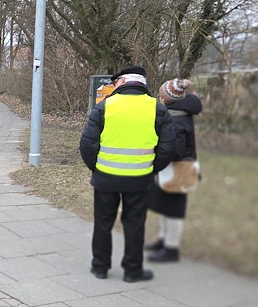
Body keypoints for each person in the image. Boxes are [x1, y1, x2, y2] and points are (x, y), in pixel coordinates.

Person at [79, 65, 177, 283]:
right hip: (139, 180)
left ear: (122, 82)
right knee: (134, 224)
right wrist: (151, 168)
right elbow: (168, 147)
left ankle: (100, 267)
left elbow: (87, 144)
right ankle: (132, 271)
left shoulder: (104, 107)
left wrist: (96, 168)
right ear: (142, 83)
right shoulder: (157, 109)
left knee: (103, 223)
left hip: (106, 178)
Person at [145, 78, 202, 262]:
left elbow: (175, 149)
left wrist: (159, 153)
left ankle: (171, 248)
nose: (159, 97)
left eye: (161, 94)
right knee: (165, 205)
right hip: (175, 166)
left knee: (174, 209)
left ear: (168, 98)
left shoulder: (177, 118)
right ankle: (163, 239)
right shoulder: (178, 112)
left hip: (179, 167)